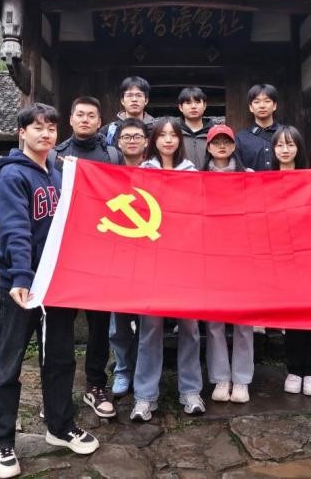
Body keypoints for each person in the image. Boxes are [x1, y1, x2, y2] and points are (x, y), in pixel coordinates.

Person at [0, 103, 98, 479]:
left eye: (51, 127)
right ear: (22, 132)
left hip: (57, 284)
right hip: (21, 286)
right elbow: (15, 229)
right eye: (37, 127)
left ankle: (60, 426)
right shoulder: (12, 175)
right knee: (8, 365)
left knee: (61, 359)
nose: (46, 133)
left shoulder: (60, 174)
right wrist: (20, 277)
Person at [51, 96, 120, 419]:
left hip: (102, 250)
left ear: (99, 121)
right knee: (61, 325)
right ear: (71, 119)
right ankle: (57, 392)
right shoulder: (55, 154)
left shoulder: (112, 154)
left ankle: (96, 384)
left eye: (91, 115)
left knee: (99, 324)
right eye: (80, 114)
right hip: (66, 250)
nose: (85, 120)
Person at [131, 117, 204, 421]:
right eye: (163, 135)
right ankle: (144, 396)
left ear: (180, 140)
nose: (169, 140)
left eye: (174, 135)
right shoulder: (143, 172)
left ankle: (191, 390)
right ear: (154, 140)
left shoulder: (192, 173)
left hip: (185, 260)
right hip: (152, 261)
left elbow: (201, 212)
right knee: (150, 328)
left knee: (190, 327)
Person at [201, 125, 254, 403]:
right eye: (216, 142)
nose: (221, 146)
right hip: (210, 255)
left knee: (244, 320)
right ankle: (220, 378)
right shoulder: (197, 180)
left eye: (226, 142)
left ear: (234, 146)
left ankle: (242, 379)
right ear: (208, 147)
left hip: (242, 255)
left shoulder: (249, 176)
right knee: (214, 321)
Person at [272, 125, 311, 398]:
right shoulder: (265, 181)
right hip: (280, 255)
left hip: (310, 254)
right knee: (292, 313)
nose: (285, 150)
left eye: (290, 144)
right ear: (273, 149)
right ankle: (293, 369)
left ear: (299, 148)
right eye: (280, 145)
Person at [108, 117, 148, 395]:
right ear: (118, 142)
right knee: (118, 323)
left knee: (149, 323)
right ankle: (122, 369)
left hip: (150, 256)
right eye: (126, 137)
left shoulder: (158, 171)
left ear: (146, 142)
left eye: (137, 137)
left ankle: (144, 372)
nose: (132, 141)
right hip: (118, 257)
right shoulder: (107, 173)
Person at [235, 84, 282, 171]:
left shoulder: (286, 135)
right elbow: (237, 169)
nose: (262, 106)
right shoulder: (240, 138)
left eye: (267, 101)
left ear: (274, 106)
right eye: (257, 102)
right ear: (251, 107)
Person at [101, 76, 156, 146]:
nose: (134, 99)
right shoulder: (109, 131)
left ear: (146, 100)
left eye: (139, 95)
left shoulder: (156, 129)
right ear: (122, 101)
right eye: (129, 95)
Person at [177, 86, 215, 170]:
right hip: (181, 177)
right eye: (188, 103)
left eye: (197, 102)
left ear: (204, 106)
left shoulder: (215, 133)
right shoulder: (175, 133)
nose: (193, 106)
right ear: (180, 107)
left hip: (209, 177)